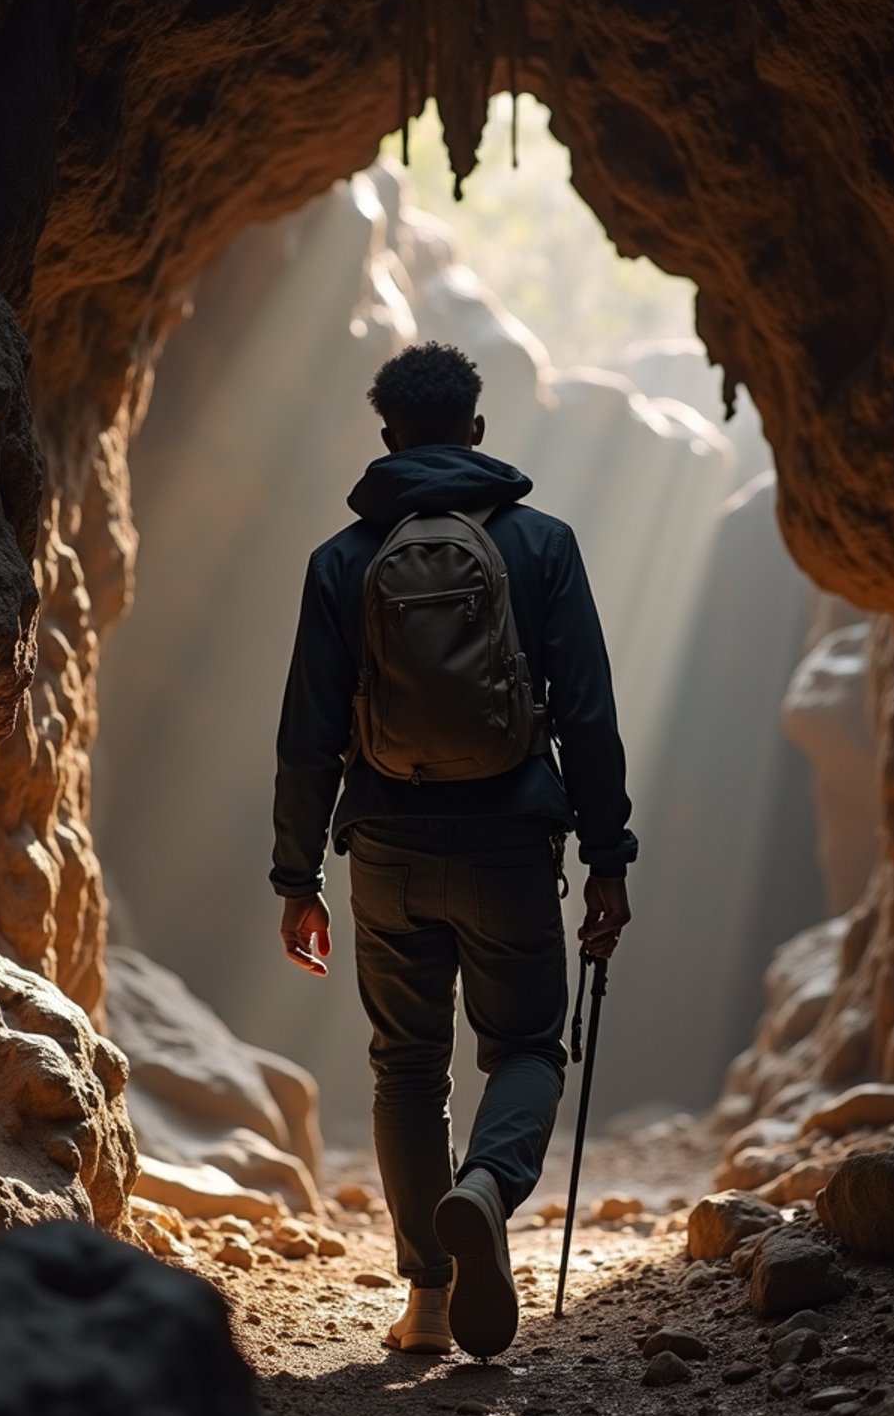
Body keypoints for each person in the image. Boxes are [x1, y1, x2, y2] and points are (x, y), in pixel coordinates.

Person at [271, 340, 636, 1357]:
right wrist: (608, 858)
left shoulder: (342, 562)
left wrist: (295, 877)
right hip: (511, 842)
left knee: (405, 1069)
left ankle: (428, 1303)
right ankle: (486, 1187)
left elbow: (306, 734)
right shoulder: (541, 546)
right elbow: (591, 720)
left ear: (387, 440)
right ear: (477, 431)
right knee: (524, 1047)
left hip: (384, 848)